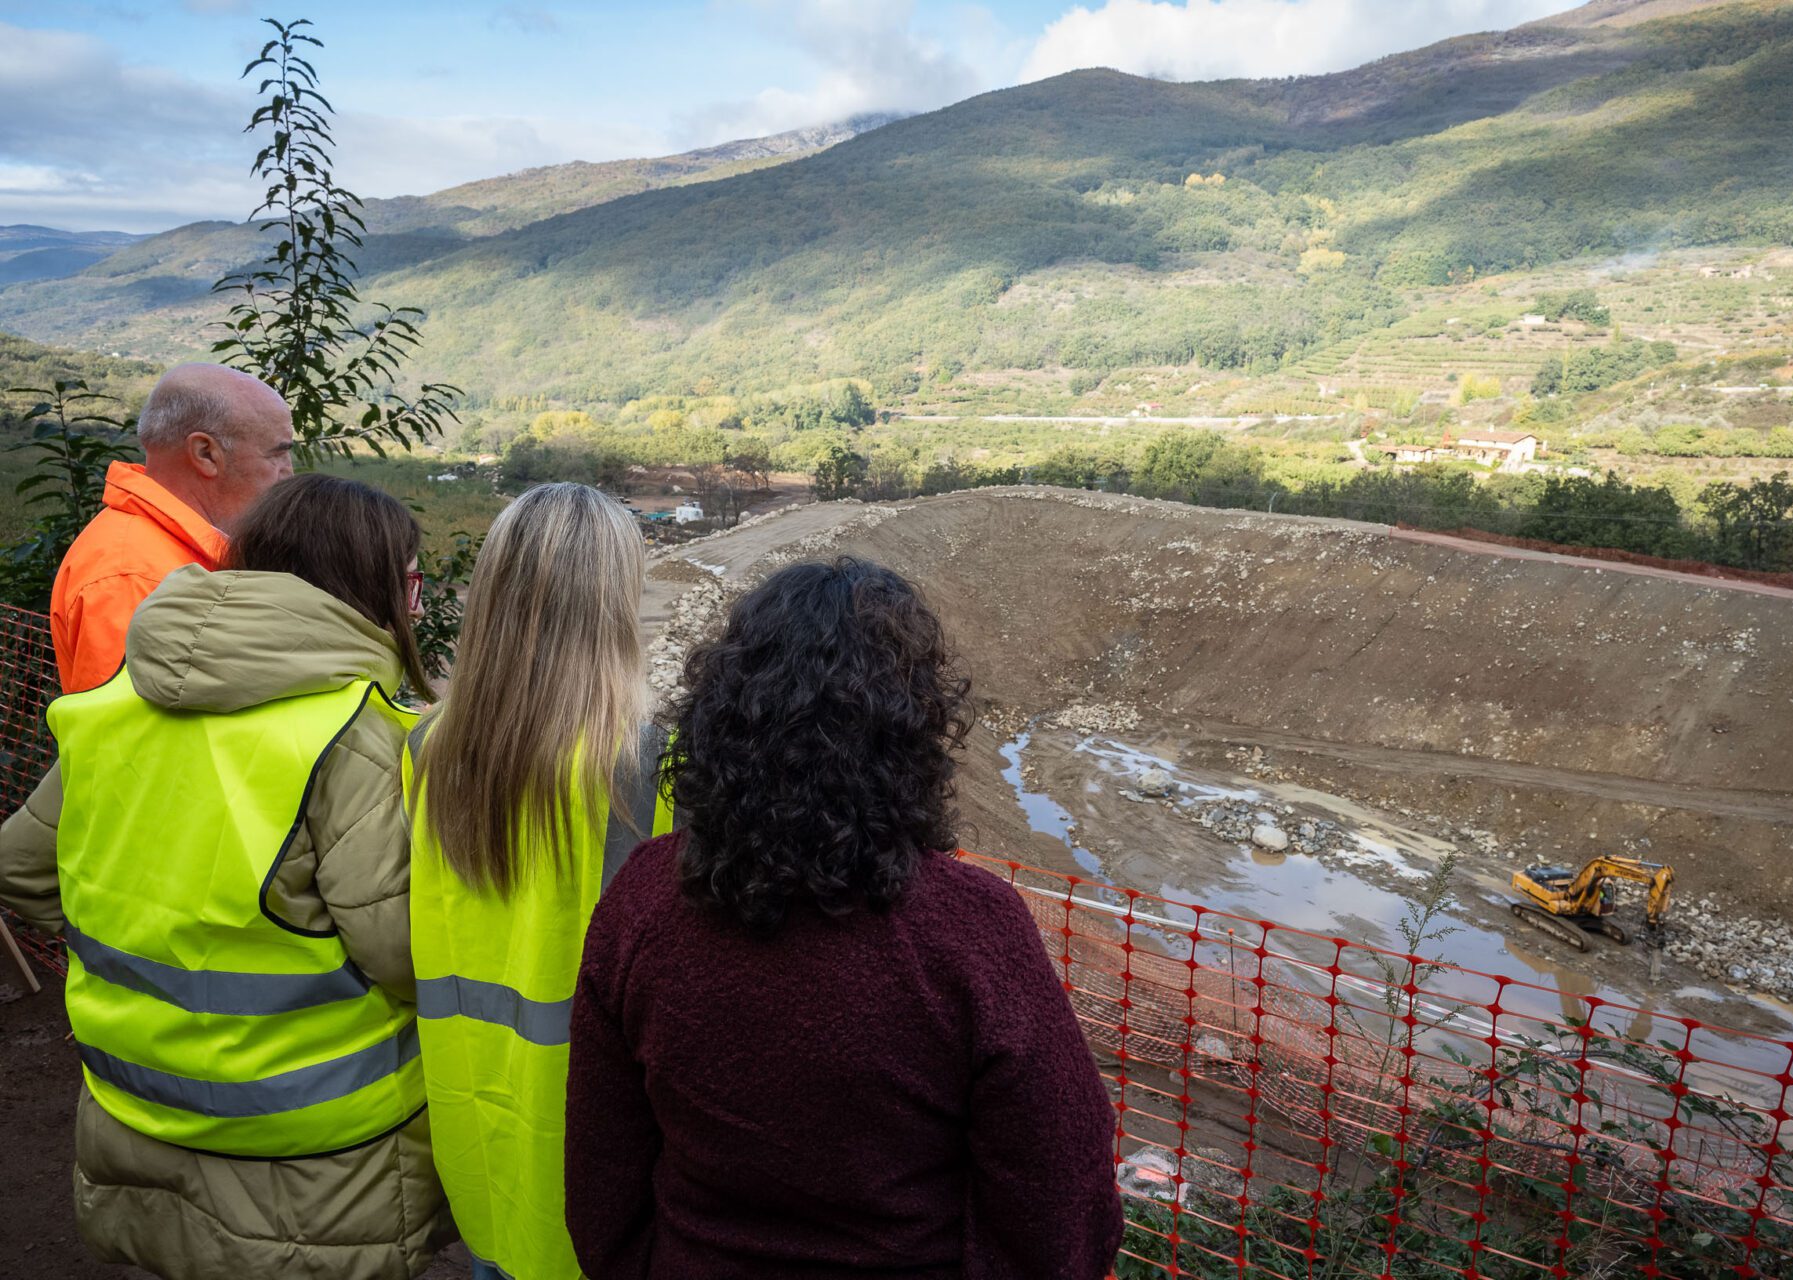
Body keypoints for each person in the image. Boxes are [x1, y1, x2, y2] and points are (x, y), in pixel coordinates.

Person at [565, 556, 1123, 1280]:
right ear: (909, 733)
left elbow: (600, 1179)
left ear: (719, 718)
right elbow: (1063, 1204)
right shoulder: (975, 931)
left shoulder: (645, 897)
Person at [0, 473, 454, 1279]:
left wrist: (139, 947)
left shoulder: (113, 704)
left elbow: (20, 868)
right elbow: (404, 954)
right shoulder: (354, 732)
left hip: (133, 1110)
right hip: (308, 1153)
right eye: (413, 583)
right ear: (373, 585)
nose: (416, 609)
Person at [405, 482, 669, 1280]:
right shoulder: (649, 761)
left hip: (477, 1125)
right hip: (604, 1143)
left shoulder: (427, 748)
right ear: (614, 601)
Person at [49, 361, 295, 692]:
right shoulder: (133, 577)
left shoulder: (175, 550)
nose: (288, 473)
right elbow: (129, 720)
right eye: (277, 455)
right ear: (206, 453)